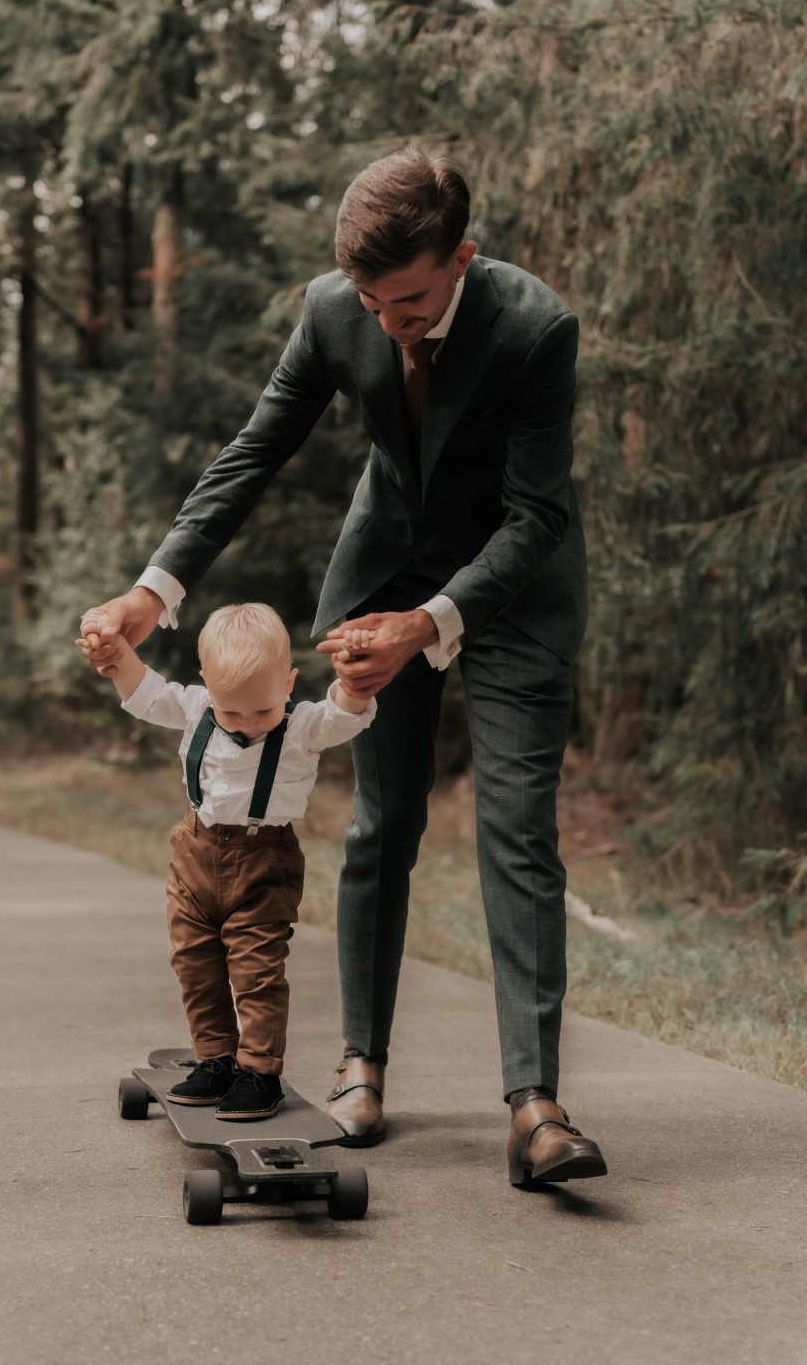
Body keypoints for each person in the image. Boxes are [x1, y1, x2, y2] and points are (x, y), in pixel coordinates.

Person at [80, 149, 608, 1183]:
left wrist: (436, 617)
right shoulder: (335, 311)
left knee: (514, 830)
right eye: (369, 300)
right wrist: (154, 594)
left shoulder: (535, 327)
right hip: (381, 580)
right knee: (384, 820)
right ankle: (361, 1064)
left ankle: (536, 1105)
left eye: (407, 300)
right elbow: (253, 453)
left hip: (514, 587)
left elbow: (538, 511)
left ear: (462, 258)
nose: (384, 322)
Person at [78, 602, 376, 1122]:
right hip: (193, 855)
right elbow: (145, 692)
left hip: (264, 862)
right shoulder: (195, 708)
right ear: (207, 687)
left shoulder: (302, 725)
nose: (248, 725)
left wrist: (353, 681)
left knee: (256, 971)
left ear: (288, 682)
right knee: (195, 964)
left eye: (262, 711)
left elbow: (343, 714)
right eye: (230, 712)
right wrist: (118, 653)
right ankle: (216, 1059)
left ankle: (259, 1072)